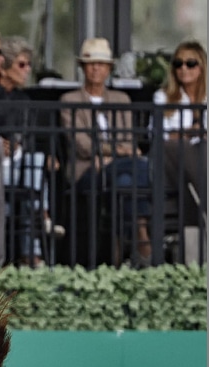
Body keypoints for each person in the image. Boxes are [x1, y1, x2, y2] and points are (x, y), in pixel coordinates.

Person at [59, 37, 152, 266]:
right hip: (87, 171)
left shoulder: (121, 99)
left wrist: (112, 154)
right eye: (91, 63)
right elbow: (82, 144)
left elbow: (129, 140)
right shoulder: (69, 100)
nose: (96, 68)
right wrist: (115, 151)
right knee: (136, 167)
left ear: (109, 68)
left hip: (115, 169)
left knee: (123, 180)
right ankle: (142, 240)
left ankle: (117, 258)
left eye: (101, 64)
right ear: (82, 67)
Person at [0, 35, 60, 266]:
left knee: (36, 164)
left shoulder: (24, 99)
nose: (27, 70)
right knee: (35, 171)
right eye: (21, 64)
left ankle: (32, 245)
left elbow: (31, 137)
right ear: (4, 67)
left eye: (29, 64)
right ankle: (42, 218)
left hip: (20, 165)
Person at [153, 40, 207, 222]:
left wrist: (188, 133)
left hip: (201, 163)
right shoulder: (163, 97)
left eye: (190, 63)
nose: (184, 68)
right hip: (170, 164)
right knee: (178, 145)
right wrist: (194, 131)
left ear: (201, 67)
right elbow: (160, 135)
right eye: (178, 63)